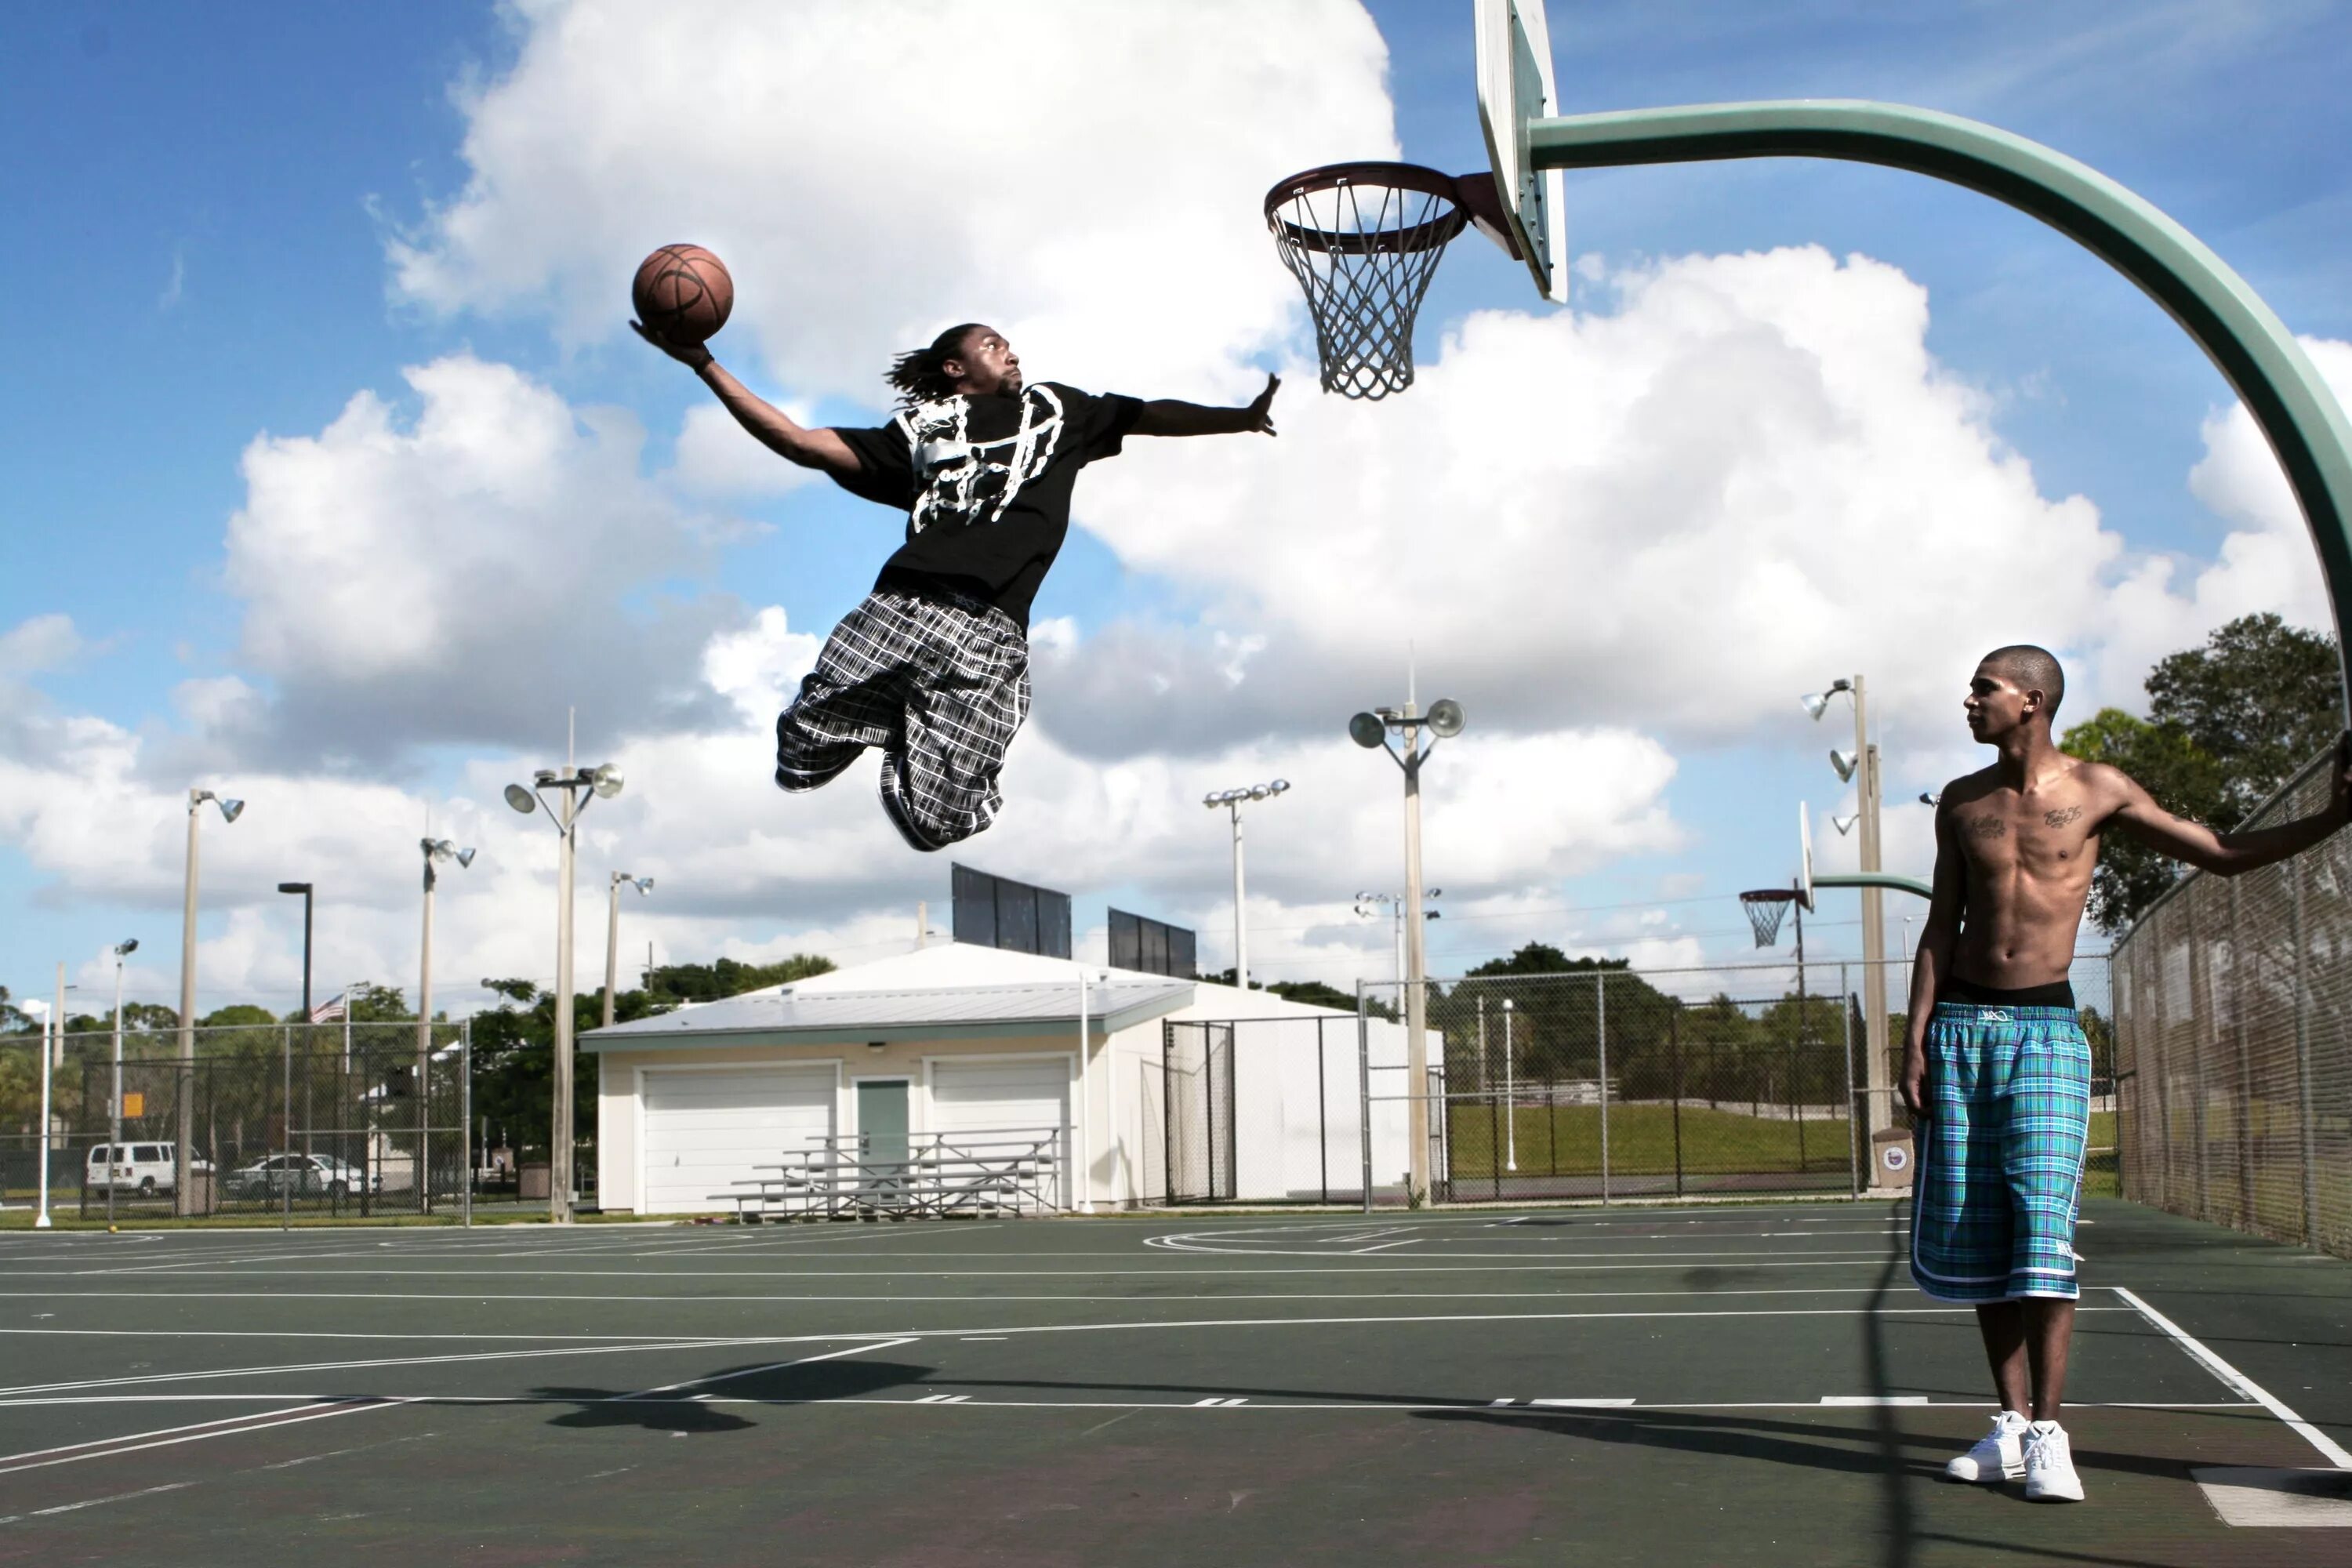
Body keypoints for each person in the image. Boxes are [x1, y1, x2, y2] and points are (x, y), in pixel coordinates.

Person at [1903, 643, 2350, 1503]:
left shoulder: (2098, 788)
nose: (1969, 700)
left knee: (2042, 1227)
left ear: (2031, 700)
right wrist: (1915, 1038)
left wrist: (2334, 818)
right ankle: (2007, 1423)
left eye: (1984, 688)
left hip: (2045, 1031)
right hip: (1961, 1027)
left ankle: (2050, 1433)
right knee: (1984, 1232)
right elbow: (1939, 924)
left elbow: (2217, 850)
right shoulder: (1962, 801)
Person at [637, 319, 1278, 849]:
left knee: (938, 827)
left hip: (993, 629)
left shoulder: (1058, 410)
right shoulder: (920, 434)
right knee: (798, 757)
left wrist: (1240, 417)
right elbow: (802, 443)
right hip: (907, 604)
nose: (1012, 351)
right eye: (995, 344)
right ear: (956, 366)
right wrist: (703, 364)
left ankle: (906, 726)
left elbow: (1147, 415)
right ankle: (882, 710)